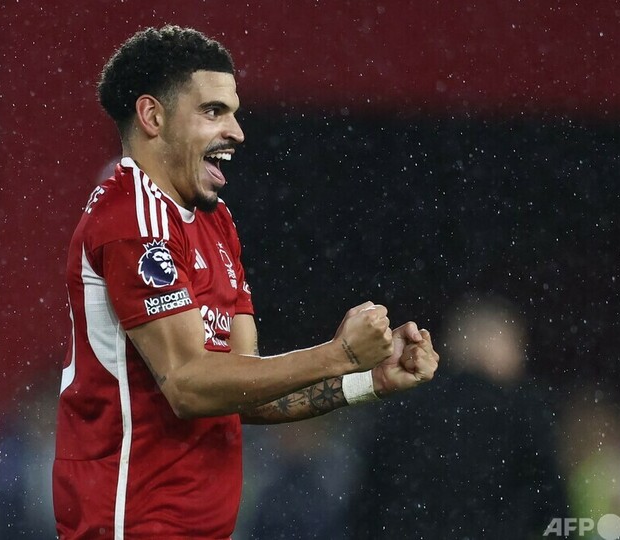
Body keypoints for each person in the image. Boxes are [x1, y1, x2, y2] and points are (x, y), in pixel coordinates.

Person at [53, 25, 439, 539]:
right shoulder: (132, 220)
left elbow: (244, 389)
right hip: (133, 524)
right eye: (213, 111)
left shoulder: (215, 222)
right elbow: (188, 386)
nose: (237, 131)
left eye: (233, 112)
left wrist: (368, 380)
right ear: (153, 116)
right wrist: (339, 354)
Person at [348, 294, 567, 539]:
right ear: (491, 344)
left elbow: (368, 500)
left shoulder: (405, 405)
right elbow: (552, 505)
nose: (520, 358)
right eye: (516, 346)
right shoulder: (521, 412)